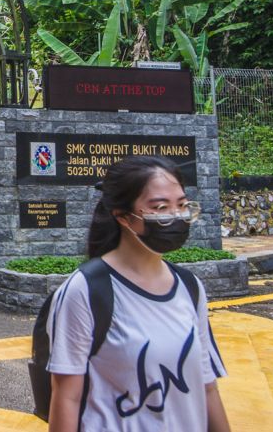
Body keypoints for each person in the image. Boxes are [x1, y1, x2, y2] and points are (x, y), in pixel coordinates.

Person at [47, 156, 231, 432]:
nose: (176, 215)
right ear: (122, 216)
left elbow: (206, 388)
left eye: (182, 205)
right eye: (160, 207)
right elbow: (67, 397)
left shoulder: (189, 287)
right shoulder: (85, 289)